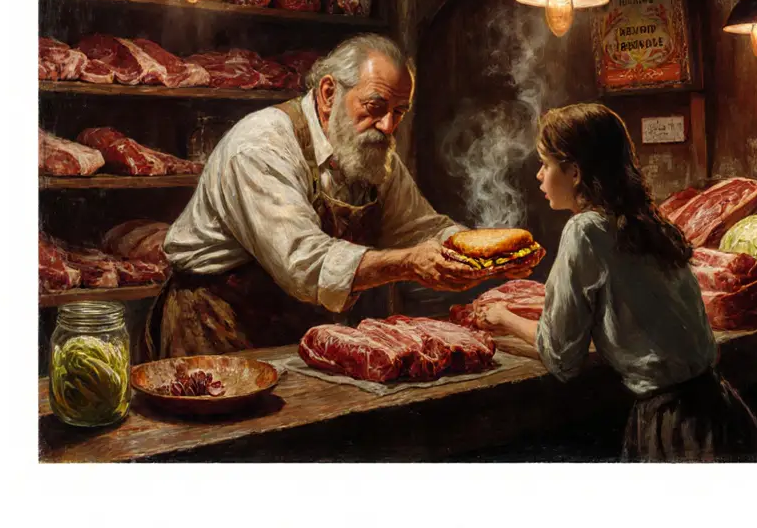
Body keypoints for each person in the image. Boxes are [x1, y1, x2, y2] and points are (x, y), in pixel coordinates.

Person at [145, 33, 520, 359]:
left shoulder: (372, 151)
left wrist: (487, 254)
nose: (388, 126)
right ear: (328, 93)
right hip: (214, 330)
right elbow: (304, 266)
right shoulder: (260, 146)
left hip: (302, 332)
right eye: (375, 107)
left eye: (399, 112)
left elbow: (420, 228)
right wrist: (407, 264)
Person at [475, 103, 757, 462]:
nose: (539, 176)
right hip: (720, 409)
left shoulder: (584, 230)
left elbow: (561, 356)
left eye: (546, 164)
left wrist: (502, 317)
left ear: (574, 172)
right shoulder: (647, 222)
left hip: (674, 427)